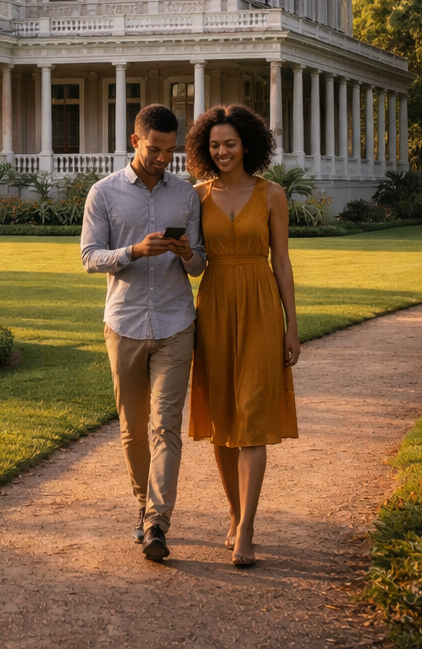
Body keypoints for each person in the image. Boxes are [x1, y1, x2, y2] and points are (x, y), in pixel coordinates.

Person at [81, 104, 206, 563]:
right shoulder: (104, 193)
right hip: (126, 323)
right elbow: (89, 257)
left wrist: (186, 252)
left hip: (176, 322)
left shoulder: (187, 196)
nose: (162, 159)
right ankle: (143, 506)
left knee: (166, 427)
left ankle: (157, 522)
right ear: (136, 141)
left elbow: (199, 266)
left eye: (170, 151)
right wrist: (134, 250)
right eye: (155, 149)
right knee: (133, 430)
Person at [184, 104, 300, 568]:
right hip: (213, 308)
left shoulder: (271, 194)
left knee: (252, 417)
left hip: (259, 308)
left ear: (246, 144)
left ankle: (247, 527)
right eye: (214, 145)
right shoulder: (197, 196)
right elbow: (191, 260)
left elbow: (283, 262)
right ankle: (233, 513)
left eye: (229, 143)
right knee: (222, 420)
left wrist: (293, 325)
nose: (222, 151)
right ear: (204, 150)